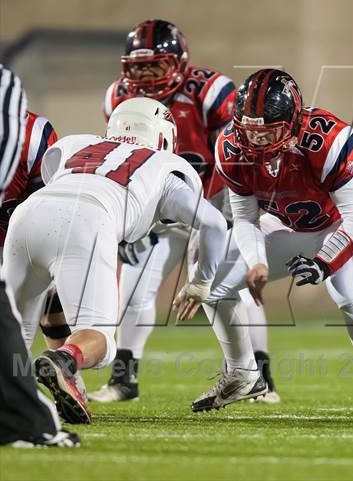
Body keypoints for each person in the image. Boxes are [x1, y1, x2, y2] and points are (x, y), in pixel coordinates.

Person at [175, 68, 353, 420]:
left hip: (350, 217)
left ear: (293, 121)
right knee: (212, 286)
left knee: (347, 290)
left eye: (268, 130)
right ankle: (243, 374)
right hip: (291, 223)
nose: (257, 139)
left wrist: (324, 262)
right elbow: (246, 218)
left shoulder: (325, 140)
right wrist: (256, 262)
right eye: (250, 129)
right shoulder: (231, 146)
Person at [2, 97, 227, 424]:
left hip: (28, 214)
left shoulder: (75, 143)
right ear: (162, 135)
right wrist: (202, 282)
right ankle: (65, 360)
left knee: (11, 332)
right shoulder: (164, 165)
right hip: (89, 220)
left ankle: (19, 408)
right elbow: (212, 223)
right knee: (102, 343)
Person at [89, 19, 279, 403]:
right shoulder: (117, 96)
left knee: (228, 287)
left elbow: (237, 154)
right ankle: (124, 379)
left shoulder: (210, 92)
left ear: (178, 62)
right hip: (155, 206)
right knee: (133, 287)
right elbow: (122, 159)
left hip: (210, 201)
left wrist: (231, 211)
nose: (142, 77)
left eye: (153, 66)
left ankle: (261, 377)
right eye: (136, 67)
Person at [0, 64, 79, 447]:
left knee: (26, 321)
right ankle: (26, 414)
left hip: (15, 242)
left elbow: (46, 200)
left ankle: (57, 383)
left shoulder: (34, 136)